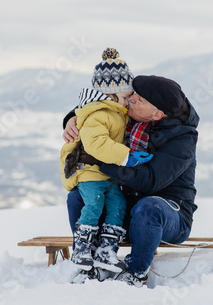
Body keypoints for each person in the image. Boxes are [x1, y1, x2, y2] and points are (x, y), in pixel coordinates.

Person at [63, 74, 199, 286]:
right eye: (133, 93)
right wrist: (72, 117)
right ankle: (89, 261)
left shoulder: (182, 138)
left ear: (157, 114)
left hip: (169, 215)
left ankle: (136, 272)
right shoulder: (129, 117)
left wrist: (101, 163)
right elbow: (101, 107)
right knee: (77, 197)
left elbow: (150, 181)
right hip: (126, 209)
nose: (131, 99)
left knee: (149, 206)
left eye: (140, 99)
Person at [60, 48, 153, 272]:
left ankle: (106, 250)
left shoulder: (115, 111)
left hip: (106, 174)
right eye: (124, 98)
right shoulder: (98, 114)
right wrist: (126, 156)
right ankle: (82, 248)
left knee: (118, 204)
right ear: (110, 95)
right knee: (93, 204)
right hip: (89, 172)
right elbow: (96, 144)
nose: (128, 102)